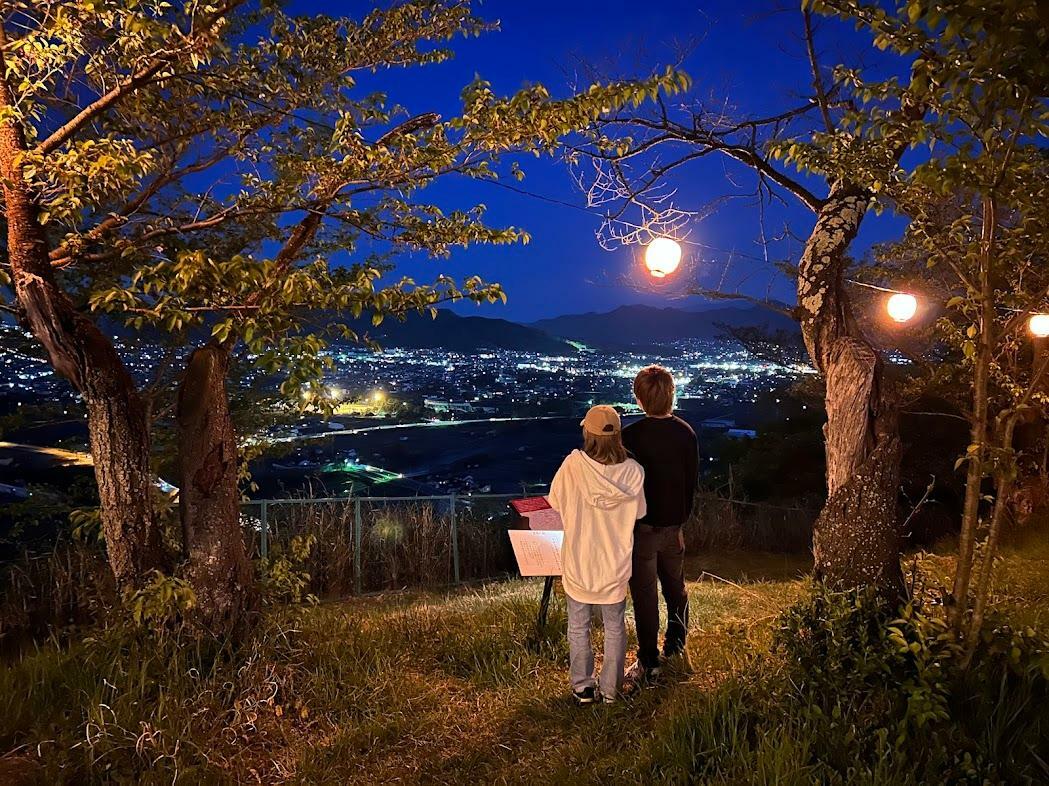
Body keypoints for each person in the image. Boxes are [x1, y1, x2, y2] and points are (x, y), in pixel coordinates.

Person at [548, 405, 647, 704]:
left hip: (579, 558)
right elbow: (640, 511)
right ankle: (611, 690)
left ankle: (582, 687)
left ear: (587, 433)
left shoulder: (572, 467)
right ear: (618, 434)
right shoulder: (633, 472)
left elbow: (554, 502)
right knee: (615, 626)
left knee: (578, 625)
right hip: (614, 562)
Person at [622, 365, 698, 683]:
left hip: (642, 529)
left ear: (639, 398)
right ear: (671, 394)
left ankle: (649, 661)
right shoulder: (686, 433)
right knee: (675, 589)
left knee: (645, 596)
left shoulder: (631, 436)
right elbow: (691, 482)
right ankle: (676, 645)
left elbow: (623, 487)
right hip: (674, 527)